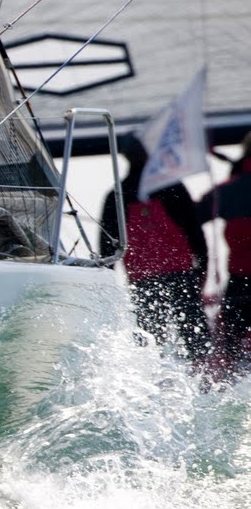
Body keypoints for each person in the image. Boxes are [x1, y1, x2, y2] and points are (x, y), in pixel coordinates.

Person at [101, 138, 210, 363]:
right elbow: (194, 230)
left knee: (150, 339)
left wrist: (106, 276)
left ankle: (156, 381)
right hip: (180, 272)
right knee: (194, 334)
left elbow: (107, 244)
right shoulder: (172, 186)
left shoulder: (116, 194)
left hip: (141, 276)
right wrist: (204, 265)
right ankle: (203, 379)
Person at [200, 138, 251, 369]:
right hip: (239, 281)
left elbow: (195, 215)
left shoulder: (229, 191)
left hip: (241, 282)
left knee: (229, 353)